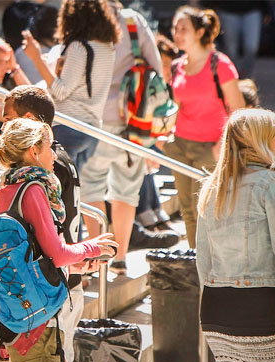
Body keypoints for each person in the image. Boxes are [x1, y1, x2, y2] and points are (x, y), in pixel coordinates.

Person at [0, 118, 117, 362]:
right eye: (49, 147)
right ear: (33, 151)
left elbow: (36, 256)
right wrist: (92, 247)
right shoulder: (32, 190)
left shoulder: (6, 188)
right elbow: (56, 253)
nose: (54, 154)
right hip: (35, 319)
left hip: (24, 311)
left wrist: (76, 263)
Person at [196, 108, 275, 362]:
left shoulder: (212, 187)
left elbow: (203, 258)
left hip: (215, 308)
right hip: (256, 306)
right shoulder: (273, 182)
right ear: (259, 140)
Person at [2, 85, 96, 362]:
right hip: (44, 293)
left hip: (42, 288)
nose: (2, 124)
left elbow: (51, 240)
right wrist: (91, 249)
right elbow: (53, 248)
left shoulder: (15, 182)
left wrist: (76, 258)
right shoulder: (33, 185)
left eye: (7, 118)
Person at [76, 0, 174, 274]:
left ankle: (95, 257)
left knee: (92, 186)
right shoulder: (133, 21)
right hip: (134, 120)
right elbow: (156, 67)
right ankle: (119, 258)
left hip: (94, 118)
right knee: (127, 190)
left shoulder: (85, 19)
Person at [166, 5, 245, 249]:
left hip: (210, 148)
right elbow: (173, 107)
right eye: (175, 28)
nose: (177, 34)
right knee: (188, 212)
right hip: (180, 145)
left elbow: (240, 111)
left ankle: (216, 272)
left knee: (210, 212)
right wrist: (162, 137)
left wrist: (221, 145)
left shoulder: (219, 64)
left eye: (184, 29)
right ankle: (197, 268)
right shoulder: (177, 66)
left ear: (200, 32)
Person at [22, 0, 120, 172]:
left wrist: (36, 58)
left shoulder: (78, 46)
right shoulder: (107, 47)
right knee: (72, 188)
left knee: (58, 189)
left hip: (69, 127)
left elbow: (61, 91)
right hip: (91, 130)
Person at [204, 1, 271, 78]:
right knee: (231, 49)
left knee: (251, 47)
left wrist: (267, 10)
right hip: (227, 10)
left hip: (253, 9)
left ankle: (246, 76)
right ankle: (233, 76)